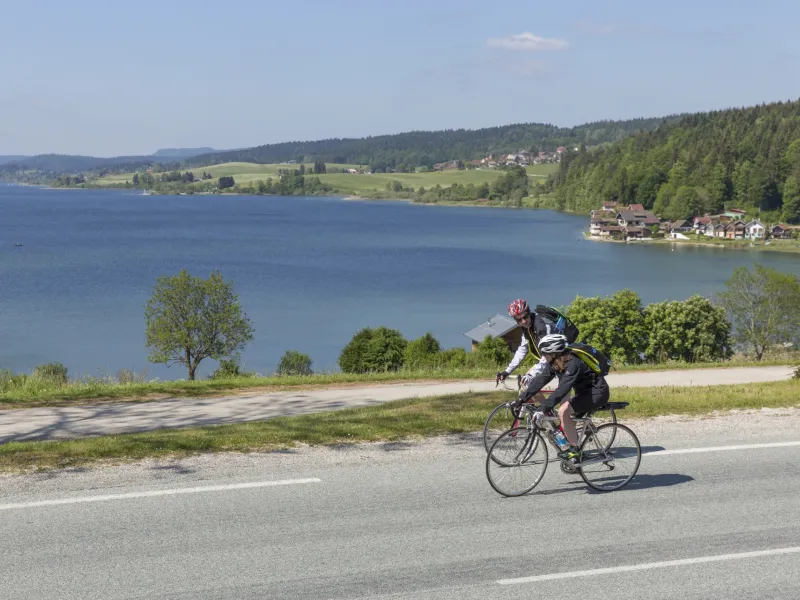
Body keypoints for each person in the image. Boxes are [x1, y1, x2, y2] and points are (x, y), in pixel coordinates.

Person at [517, 333, 610, 461]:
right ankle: (575, 450)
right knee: (565, 415)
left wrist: (543, 408)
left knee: (563, 411)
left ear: (554, 352)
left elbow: (562, 390)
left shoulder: (573, 363)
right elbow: (541, 379)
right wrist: (522, 399)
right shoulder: (557, 362)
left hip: (597, 393)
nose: (543, 357)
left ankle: (575, 451)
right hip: (584, 392)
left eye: (544, 353)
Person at [495, 299, 559, 403]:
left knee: (565, 408)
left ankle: (553, 411)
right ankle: (547, 411)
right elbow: (522, 350)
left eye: (525, 317)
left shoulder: (541, 326)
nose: (523, 321)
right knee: (526, 383)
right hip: (549, 360)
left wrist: (531, 374)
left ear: (529, 312)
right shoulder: (527, 328)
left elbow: (547, 354)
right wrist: (507, 371)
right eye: (519, 320)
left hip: (564, 361)